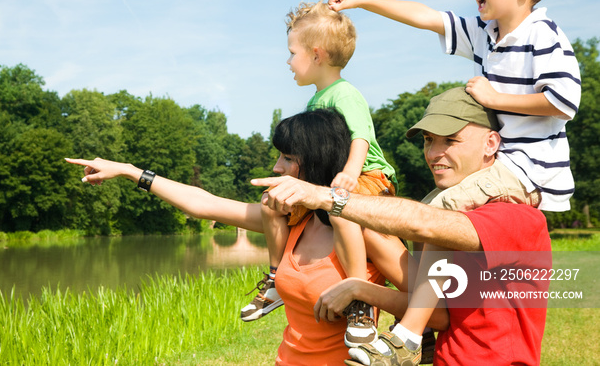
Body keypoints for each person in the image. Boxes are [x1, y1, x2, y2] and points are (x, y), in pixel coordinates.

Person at [316, 0, 580, 356]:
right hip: (504, 161)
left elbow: (564, 99)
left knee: (436, 213)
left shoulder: (542, 35)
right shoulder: (488, 34)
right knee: (430, 215)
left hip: (526, 167)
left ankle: (410, 331)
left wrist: (497, 97)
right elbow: (427, 16)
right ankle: (424, 316)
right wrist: (362, 1)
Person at [66, 109, 411, 366]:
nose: (276, 167)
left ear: (316, 161)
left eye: (287, 158)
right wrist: (130, 171)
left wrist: (362, 290)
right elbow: (205, 204)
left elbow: (434, 311)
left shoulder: (366, 229)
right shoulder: (291, 220)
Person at [253, 88, 552, 366]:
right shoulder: (445, 216)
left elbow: (423, 223)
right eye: (428, 140)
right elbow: (442, 313)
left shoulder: (515, 217)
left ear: (491, 144)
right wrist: (362, 289)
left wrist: (324, 196)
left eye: (450, 140)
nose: (434, 154)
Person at [243, 1, 397, 350]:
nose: (287, 61)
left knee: (340, 211)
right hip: (329, 180)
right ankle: (274, 278)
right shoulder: (316, 101)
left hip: (367, 175)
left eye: (291, 52)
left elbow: (360, 138)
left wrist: (347, 176)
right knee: (270, 204)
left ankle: (359, 301)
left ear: (316, 55)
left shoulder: (345, 94)